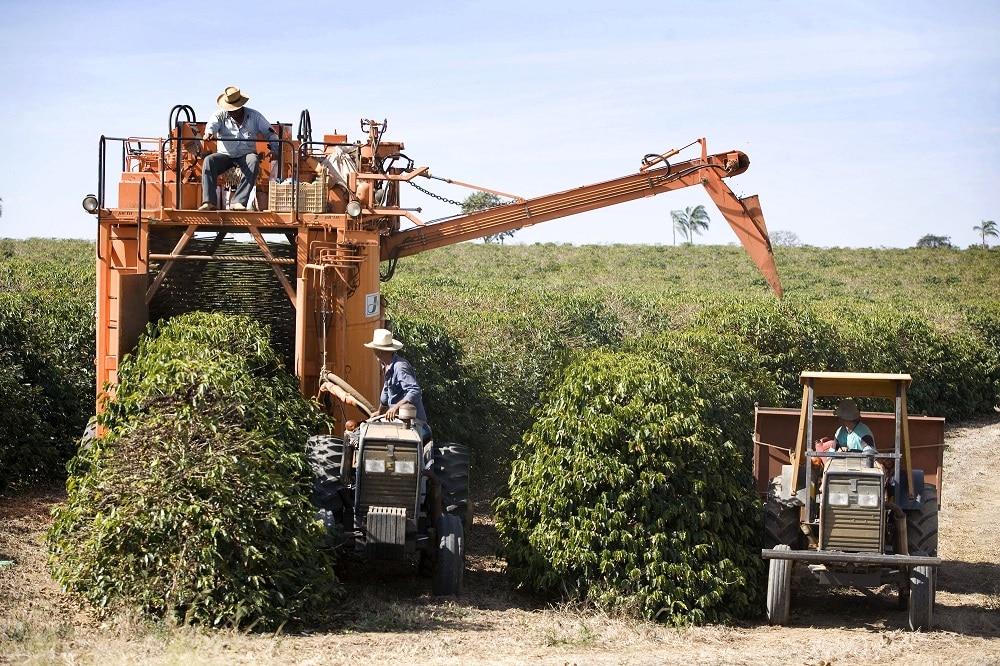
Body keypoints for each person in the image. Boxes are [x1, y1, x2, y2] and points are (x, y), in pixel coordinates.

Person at [199, 86, 279, 211]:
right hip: (225, 155)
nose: (232, 111)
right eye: (229, 109)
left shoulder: (255, 116)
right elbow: (212, 125)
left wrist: (275, 150)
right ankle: (209, 202)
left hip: (245, 154)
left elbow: (270, 133)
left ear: (241, 106)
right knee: (209, 161)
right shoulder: (219, 115)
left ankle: (238, 201)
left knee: (253, 159)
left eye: (234, 109)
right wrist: (209, 133)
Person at [364, 328, 427, 422]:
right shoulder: (385, 365)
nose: (373, 351)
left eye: (374, 349)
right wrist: (379, 412)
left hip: (411, 419)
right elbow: (386, 393)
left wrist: (396, 408)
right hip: (396, 418)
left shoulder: (400, 367)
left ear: (380, 351)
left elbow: (414, 391)